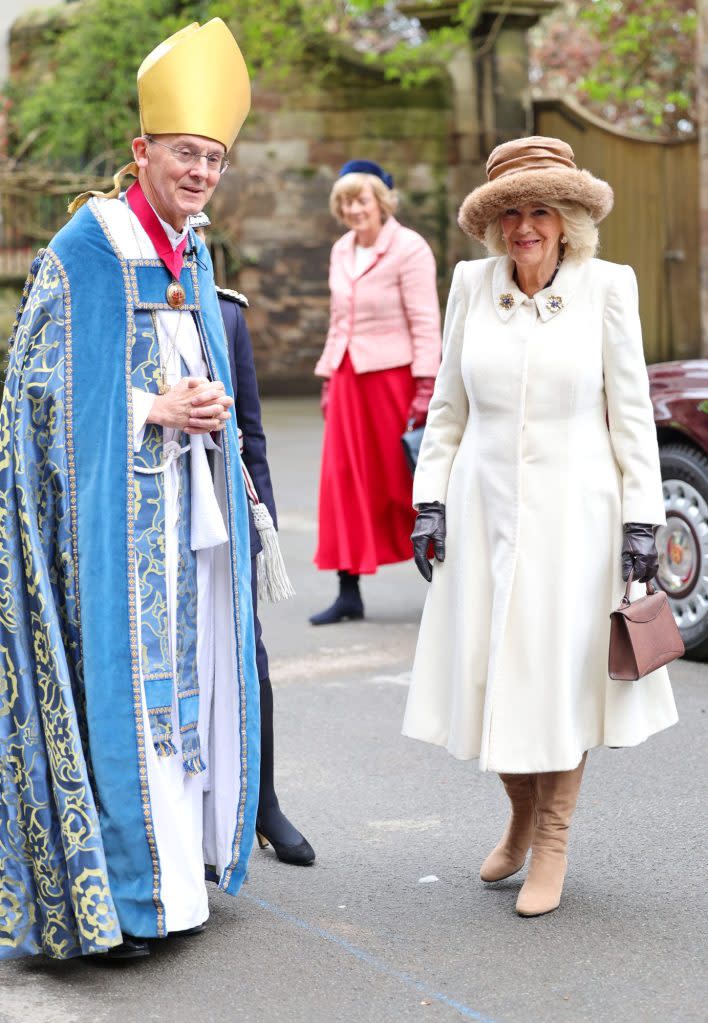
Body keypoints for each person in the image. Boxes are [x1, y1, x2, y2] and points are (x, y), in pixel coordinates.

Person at [0, 20, 261, 961]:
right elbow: (38, 391)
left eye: (215, 159)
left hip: (186, 521)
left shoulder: (193, 250)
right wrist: (154, 405)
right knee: (128, 693)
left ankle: (178, 876)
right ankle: (121, 899)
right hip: (109, 525)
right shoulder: (90, 245)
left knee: (185, 695)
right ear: (143, 151)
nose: (200, 173)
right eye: (187, 154)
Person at [403, 136, 678, 917]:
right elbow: (447, 408)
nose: (526, 226)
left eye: (541, 211)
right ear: (496, 226)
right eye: (512, 212)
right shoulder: (469, 284)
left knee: (559, 679)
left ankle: (552, 838)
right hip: (482, 508)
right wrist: (431, 500)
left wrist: (641, 522)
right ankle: (520, 811)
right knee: (487, 669)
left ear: (566, 221)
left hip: (576, 519)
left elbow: (631, 417)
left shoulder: (608, 287)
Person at [204, 223, 314, 866]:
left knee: (251, 659)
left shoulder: (227, 315)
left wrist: (260, 528)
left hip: (226, 518)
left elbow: (251, 436)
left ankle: (265, 803)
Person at [310, 159, 442, 625]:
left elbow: (425, 319)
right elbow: (338, 321)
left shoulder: (409, 248)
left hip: (394, 378)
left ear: (381, 201)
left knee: (404, 482)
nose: (352, 208)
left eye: (360, 199)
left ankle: (448, 586)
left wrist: (427, 386)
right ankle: (348, 591)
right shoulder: (341, 250)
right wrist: (329, 378)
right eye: (344, 201)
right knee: (343, 482)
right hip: (347, 381)